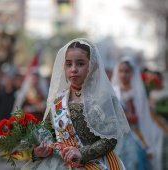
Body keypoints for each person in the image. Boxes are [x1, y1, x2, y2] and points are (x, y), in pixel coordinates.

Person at [22, 38, 130, 170]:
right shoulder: (58, 99)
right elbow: (47, 133)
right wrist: (38, 151)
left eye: (80, 64)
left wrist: (83, 153)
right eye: (68, 64)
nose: (73, 69)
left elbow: (110, 139)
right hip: (59, 162)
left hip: (95, 162)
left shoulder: (103, 98)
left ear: (92, 65)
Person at [112, 56, 162, 170]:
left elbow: (141, 115)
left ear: (132, 73)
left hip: (135, 134)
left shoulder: (137, 92)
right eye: (121, 71)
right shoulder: (113, 91)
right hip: (117, 134)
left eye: (127, 71)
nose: (123, 75)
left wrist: (128, 117)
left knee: (135, 160)